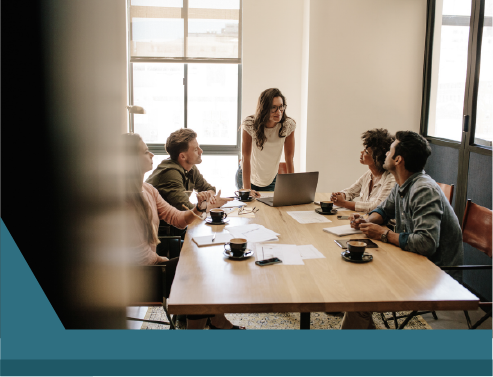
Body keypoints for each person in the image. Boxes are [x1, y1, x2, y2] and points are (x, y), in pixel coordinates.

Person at [340, 131, 463, 329]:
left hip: (435, 273)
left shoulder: (423, 190)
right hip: (411, 260)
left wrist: (383, 233)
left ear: (398, 159)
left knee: (360, 293)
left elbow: (426, 243)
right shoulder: (403, 184)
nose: (385, 154)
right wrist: (366, 221)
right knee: (355, 276)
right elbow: (382, 210)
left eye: (389, 150)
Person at [123, 133, 244, 329]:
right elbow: (136, 254)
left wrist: (198, 207)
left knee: (199, 264)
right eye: (146, 151)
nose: (152, 154)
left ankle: (214, 322)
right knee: (196, 271)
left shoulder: (148, 190)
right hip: (138, 277)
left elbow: (178, 219)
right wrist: (163, 261)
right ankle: (213, 324)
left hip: (151, 265)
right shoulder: (121, 199)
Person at [146, 128, 231, 239]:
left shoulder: (190, 167)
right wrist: (212, 205)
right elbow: (189, 212)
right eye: (196, 149)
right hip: (160, 236)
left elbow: (208, 188)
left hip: (176, 228)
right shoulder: (170, 174)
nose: (201, 151)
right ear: (182, 156)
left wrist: (209, 198)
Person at [236, 88, 296, 196]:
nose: (279, 112)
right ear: (264, 108)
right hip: (246, 175)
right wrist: (247, 190)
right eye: (273, 108)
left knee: (268, 209)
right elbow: (246, 157)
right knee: (248, 209)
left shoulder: (288, 125)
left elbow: (289, 158)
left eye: (281, 107)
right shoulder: (250, 124)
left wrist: (292, 187)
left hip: (270, 177)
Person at [330, 129, 395, 213]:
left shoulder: (391, 178)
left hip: (383, 225)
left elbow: (377, 207)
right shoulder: (369, 174)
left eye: (366, 152)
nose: (362, 152)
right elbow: (350, 191)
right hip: (367, 221)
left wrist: (343, 203)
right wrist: (340, 195)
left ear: (377, 158)